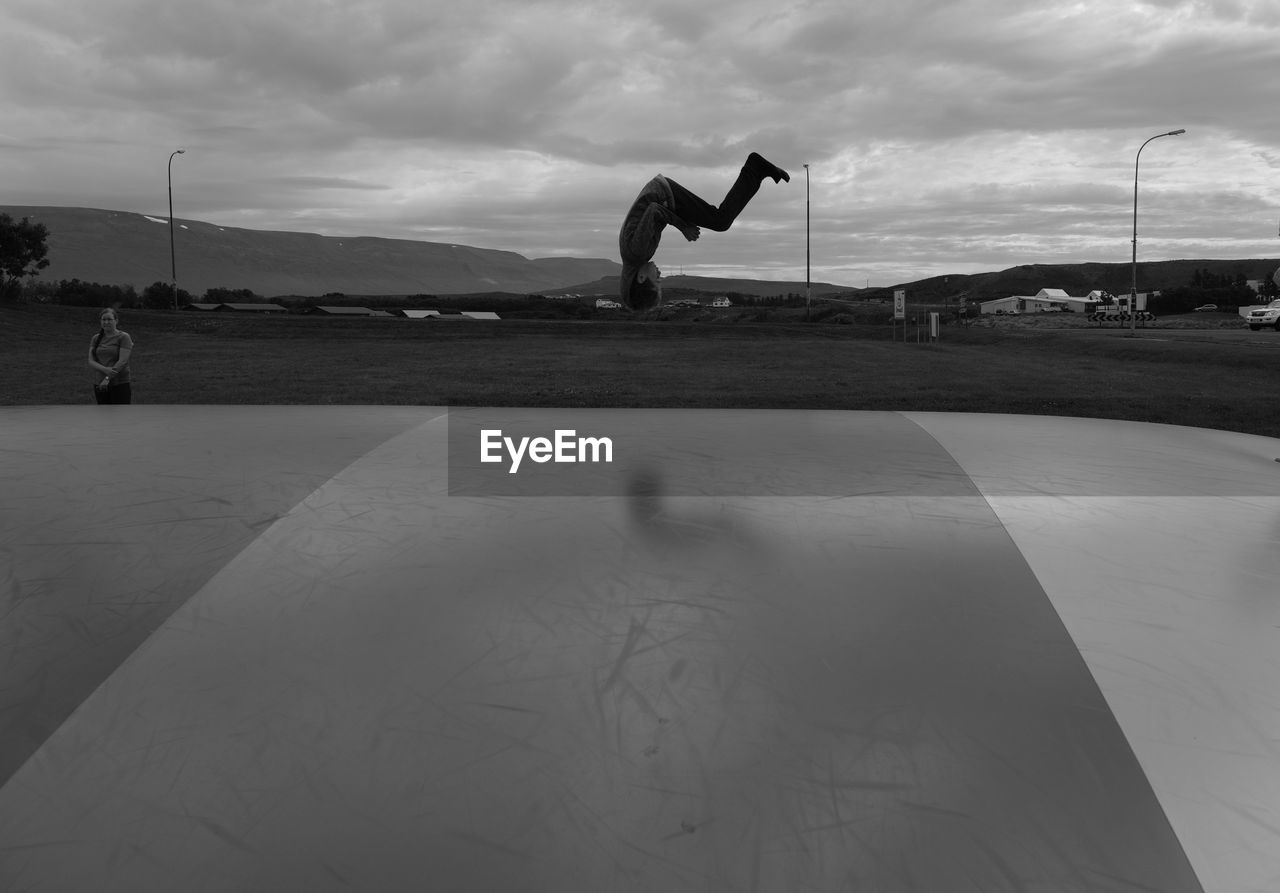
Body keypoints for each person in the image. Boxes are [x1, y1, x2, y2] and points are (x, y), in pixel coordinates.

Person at [618, 151, 790, 311]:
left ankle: (755, 168)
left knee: (720, 221)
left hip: (664, 193)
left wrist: (683, 226)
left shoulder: (637, 253)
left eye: (657, 280)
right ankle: (756, 172)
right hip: (664, 196)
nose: (660, 275)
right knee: (719, 220)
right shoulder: (635, 256)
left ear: (641, 278)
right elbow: (654, 213)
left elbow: (654, 209)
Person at [88, 308, 134, 404]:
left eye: (109, 319)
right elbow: (91, 361)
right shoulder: (96, 338)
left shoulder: (124, 337)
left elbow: (122, 361)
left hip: (119, 382)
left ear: (116, 321)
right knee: (103, 417)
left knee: (121, 416)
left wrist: (107, 379)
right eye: (103, 320)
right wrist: (105, 370)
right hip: (99, 383)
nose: (106, 322)